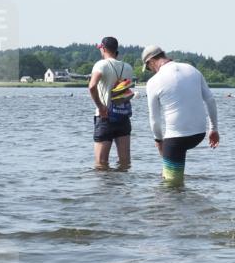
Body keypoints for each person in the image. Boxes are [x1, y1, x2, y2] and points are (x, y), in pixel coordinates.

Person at [142, 45, 220, 184]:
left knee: (170, 185)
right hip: (199, 134)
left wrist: (159, 141)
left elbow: (154, 119)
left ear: (151, 61)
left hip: (176, 139)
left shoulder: (153, 82)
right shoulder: (192, 70)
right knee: (176, 178)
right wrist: (213, 129)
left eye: (148, 68)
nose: (150, 71)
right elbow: (210, 99)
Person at [88, 36, 135, 169]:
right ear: (116, 50)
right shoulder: (128, 67)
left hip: (105, 117)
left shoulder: (100, 65)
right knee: (125, 162)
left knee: (101, 163)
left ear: (103, 48)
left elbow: (92, 86)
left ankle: (105, 189)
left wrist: (100, 107)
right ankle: (121, 188)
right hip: (123, 116)